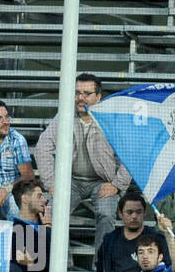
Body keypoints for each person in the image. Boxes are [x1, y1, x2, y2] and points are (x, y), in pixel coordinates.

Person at [34, 73, 132, 256]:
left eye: (87, 93)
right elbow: (42, 147)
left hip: (103, 182)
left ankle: (101, 268)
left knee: (106, 214)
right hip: (70, 180)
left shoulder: (111, 119)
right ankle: (59, 264)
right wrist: (51, 183)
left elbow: (131, 152)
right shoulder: (64, 115)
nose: (81, 98)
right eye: (77, 92)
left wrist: (117, 185)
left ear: (98, 96)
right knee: (50, 211)